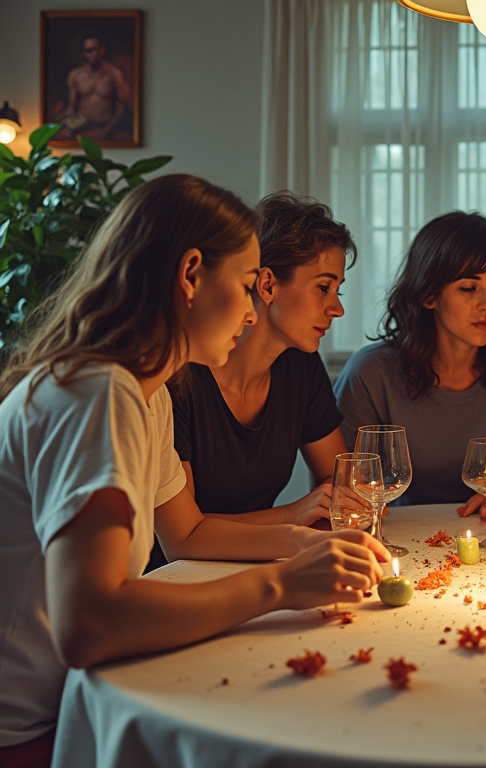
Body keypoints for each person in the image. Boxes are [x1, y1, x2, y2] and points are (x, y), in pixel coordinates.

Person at [0, 175, 388, 767]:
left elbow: (189, 531)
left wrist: (301, 549)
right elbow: (89, 624)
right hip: (27, 725)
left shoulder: (144, 392)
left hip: (67, 700)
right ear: (189, 277)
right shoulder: (98, 393)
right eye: (243, 285)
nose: (252, 311)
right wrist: (281, 586)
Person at [334, 211, 486, 520]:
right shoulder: (370, 373)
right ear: (428, 294)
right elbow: (343, 492)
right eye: (468, 288)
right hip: (402, 532)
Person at [170, 192, 354, 532]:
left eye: (338, 290)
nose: (337, 308)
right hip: (172, 576)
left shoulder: (301, 366)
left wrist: (342, 501)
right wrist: (293, 515)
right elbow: (182, 534)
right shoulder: (179, 379)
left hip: (262, 559)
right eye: (323, 287)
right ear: (267, 285)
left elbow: (338, 479)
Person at [58, 34, 132, 141]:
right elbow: (72, 106)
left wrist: (106, 130)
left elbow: (123, 105)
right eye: (89, 51)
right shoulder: (75, 74)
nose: (93, 54)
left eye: (96, 50)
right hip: (82, 123)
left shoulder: (114, 73)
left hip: (106, 124)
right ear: (84, 53)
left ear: (102, 50)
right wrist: (64, 125)